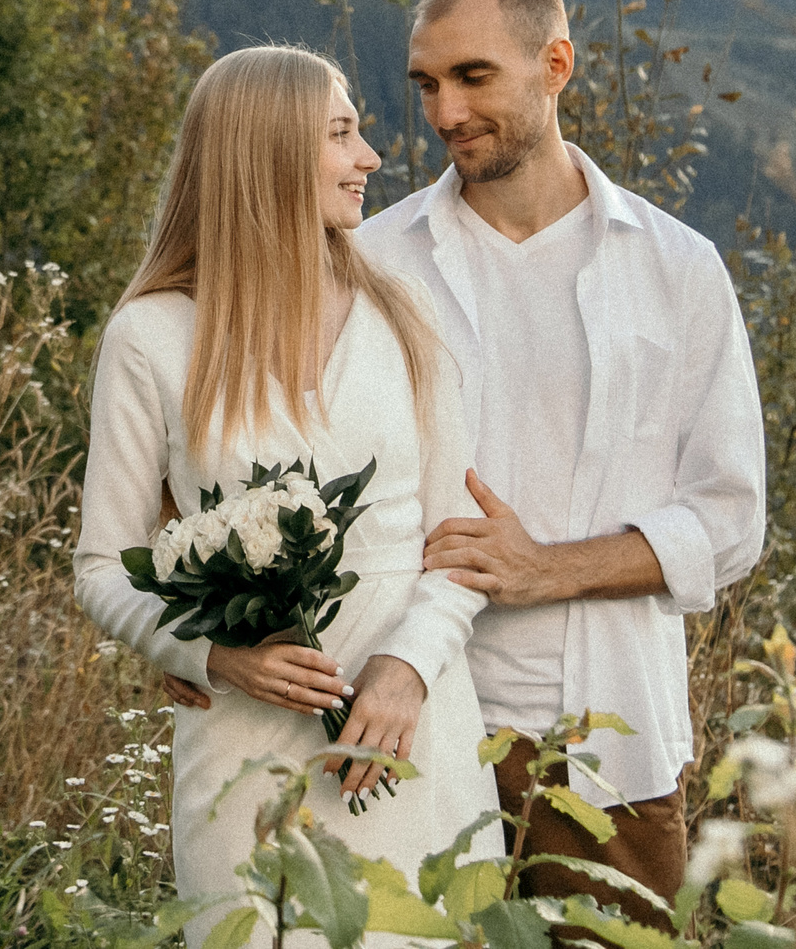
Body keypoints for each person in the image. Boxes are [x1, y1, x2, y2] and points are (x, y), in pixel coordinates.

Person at [357, 0, 767, 928]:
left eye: (472, 77)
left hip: (608, 755)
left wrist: (548, 568)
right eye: (426, 84)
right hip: (411, 741)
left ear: (556, 65)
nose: (445, 112)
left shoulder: (674, 268)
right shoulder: (373, 264)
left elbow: (730, 519)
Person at [75, 45, 498, 944]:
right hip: (244, 752)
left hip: (410, 739)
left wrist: (409, 666)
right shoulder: (152, 336)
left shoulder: (407, 317)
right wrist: (211, 655)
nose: (370, 157)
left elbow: (461, 543)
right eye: (342, 133)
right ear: (266, 154)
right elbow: (102, 565)